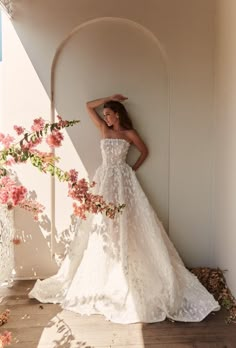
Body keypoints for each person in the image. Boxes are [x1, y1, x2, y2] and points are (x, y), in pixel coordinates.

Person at [29, 94, 220, 324]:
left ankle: (128, 263)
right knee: (101, 222)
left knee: (131, 222)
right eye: (105, 115)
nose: (106, 118)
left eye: (109, 114)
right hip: (104, 179)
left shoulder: (128, 134)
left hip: (123, 179)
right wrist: (108, 99)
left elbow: (144, 151)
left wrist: (131, 169)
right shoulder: (103, 129)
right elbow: (88, 106)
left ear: (118, 115)